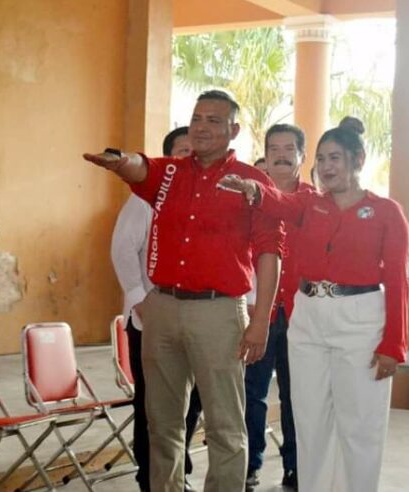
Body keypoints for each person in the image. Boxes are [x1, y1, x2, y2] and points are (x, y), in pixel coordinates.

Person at [85, 89, 283, 492]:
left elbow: (270, 252)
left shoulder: (253, 181)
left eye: (214, 120)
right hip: (162, 309)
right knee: (162, 424)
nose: (202, 127)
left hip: (219, 313)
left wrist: (260, 319)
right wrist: (120, 161)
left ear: (234, 130)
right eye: (197, 118)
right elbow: (141, 167)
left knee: (226, 426)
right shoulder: (171, 172)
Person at [220, 118, 409, 492]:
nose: (326, 166)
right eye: (321, 159)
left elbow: (398, 281)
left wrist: (394, 345)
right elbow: (280, 201)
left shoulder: (387, 212)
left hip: (360, 319)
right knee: (310, 420)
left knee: (359, 424)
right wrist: (252, 189)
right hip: (307, 317)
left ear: (358, 159)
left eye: (335, 157)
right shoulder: (309, 203)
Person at [111, 126, 202, 492]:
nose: (188, 158)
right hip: (150, 319)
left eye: (193, 151)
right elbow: (121, 250)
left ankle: (176, 474)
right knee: (153, 405)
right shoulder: (146, 198)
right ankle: (150, 479)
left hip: (193, 319)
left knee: (190, 401)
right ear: (165, 161)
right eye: (181, 151)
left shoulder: (206, 198)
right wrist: (140, 300)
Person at [244, 124, 312, 491]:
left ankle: (295, 466)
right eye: (274, 148)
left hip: (303, 316)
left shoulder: (317, 202)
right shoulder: (249, 198)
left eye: (290, 148)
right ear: (266, 154)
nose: (281, 154)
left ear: (302, 155)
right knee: (251, 393)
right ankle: (249, 464)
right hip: (258, 313)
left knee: (295, 395)